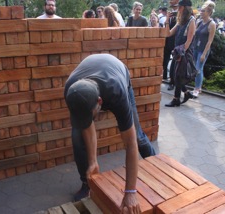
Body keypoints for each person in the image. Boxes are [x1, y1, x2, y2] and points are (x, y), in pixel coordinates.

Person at [64, 54, 156, 207]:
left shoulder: (116, 92)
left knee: (138, 137)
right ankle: (87, 183)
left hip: (118, 75)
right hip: (93, 74)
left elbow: (130, 143)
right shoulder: (72, 91)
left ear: (100, 102)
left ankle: (157, 167)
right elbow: (87, 126)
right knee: (78, 137)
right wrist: (93, 161)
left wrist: (130, 192)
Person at [164, 0, 196, 107]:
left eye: (179, 7)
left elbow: (189, 41)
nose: (177, 9)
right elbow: (168, 33)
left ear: (183, 8)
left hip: (184, 53)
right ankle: (186, 93)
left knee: (177, 75)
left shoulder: (191, 21)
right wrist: (167, 20)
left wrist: (180, 55)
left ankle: (176, 99)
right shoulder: (180, 21)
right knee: (176, 75)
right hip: (178, 52)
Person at [192, 1, 216, 98]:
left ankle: (197, 88)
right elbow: (195, 35)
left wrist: (204, 54)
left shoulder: (212, 24)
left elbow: (209, 41)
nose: (201, 12)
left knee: (198, 69)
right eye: (201, 10)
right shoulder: (199, 22)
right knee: (195, 68)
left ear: (209, 12)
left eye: (203, 11)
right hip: (196, 48)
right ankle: (198, 86)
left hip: (203, 50)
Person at [163, 0, 179, 91]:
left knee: (174, 62)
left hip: (175, 40)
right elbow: (166, 28)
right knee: (165, 60)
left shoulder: (180, 15)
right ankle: (165, 76)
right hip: (168, 40)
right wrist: (167, 18)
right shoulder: (170, 15)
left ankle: (172, 81)